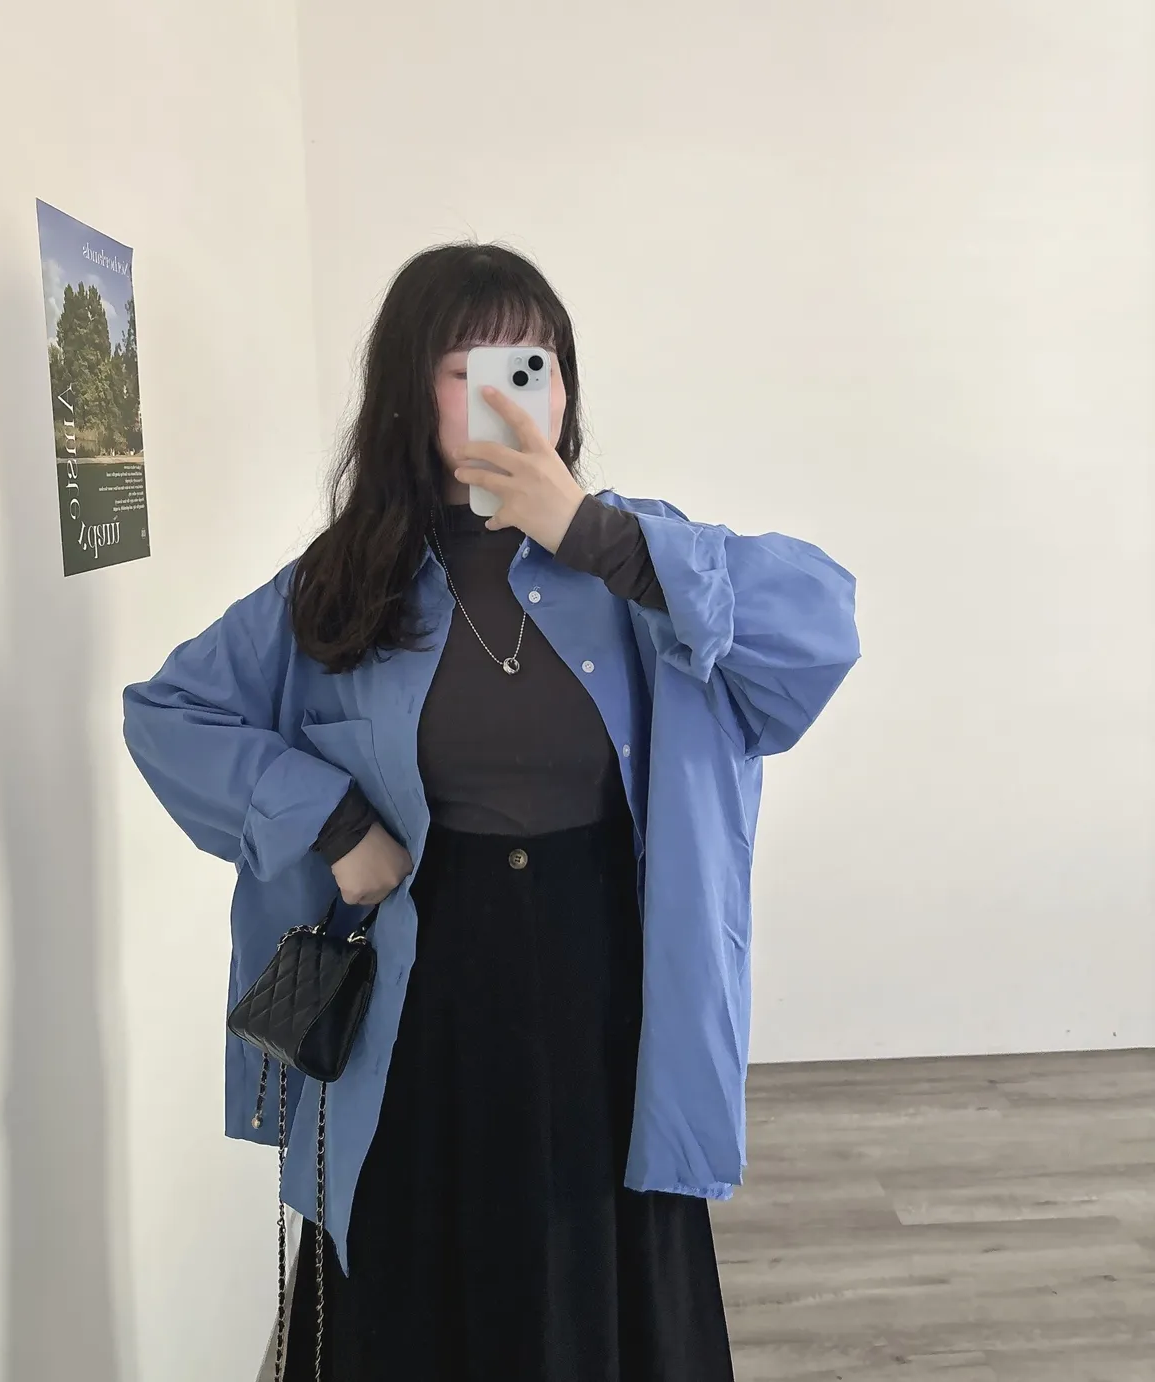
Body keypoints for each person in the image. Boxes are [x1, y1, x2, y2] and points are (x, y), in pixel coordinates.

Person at [122, 243, 859, 1382]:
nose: (510, 397)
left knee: (601, 1280)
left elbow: (819, 630)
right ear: (410, 396)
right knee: (417, 1277)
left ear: (565, 388)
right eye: (467, 368)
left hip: (612, 992)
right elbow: (169, 712)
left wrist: (598, 537)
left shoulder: (640, 557)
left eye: (533, 364)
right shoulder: (347, 580)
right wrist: (330, 820)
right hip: (424, 996)